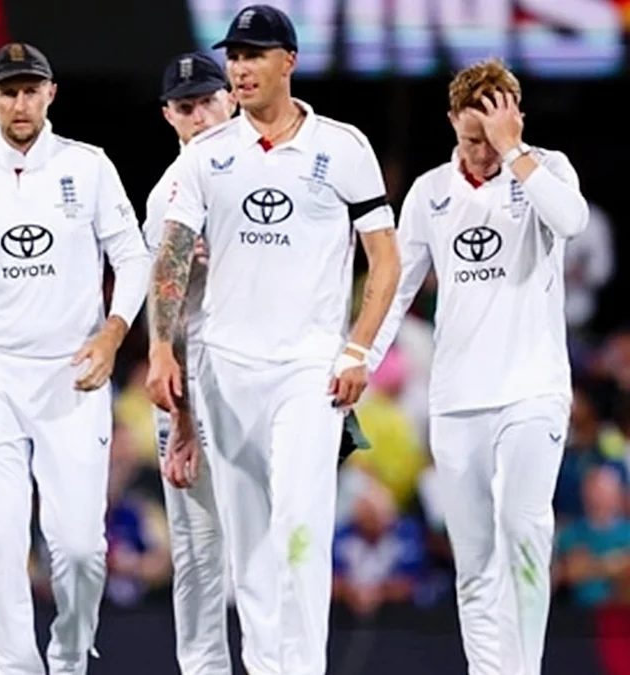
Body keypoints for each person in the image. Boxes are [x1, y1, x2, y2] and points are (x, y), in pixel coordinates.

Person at [146, 6, 400, 674]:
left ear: (288, 60)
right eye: (234, 56)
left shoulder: (343, 146)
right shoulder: (207, 156)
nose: (240, 68)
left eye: (254, 55)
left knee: (299, 522)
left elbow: (387, 259)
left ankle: (303, 666)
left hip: (308, 368)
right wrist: (162, 348)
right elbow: (171, 257)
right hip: (226, 369)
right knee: (250, 545)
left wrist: (358, 350)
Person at [0, 42, 151, 674]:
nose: (19, 102)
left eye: (30, 89)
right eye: (7, 91)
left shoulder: (89, 167)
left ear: (51, 93)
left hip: (71, 369)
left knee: (77, 547)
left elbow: (132, 256)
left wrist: (113, 334)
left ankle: (69, 654)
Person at [368, 58, 588, 675]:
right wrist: (360, 361)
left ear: (515, 121)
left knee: (524, 531)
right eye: (471, 139)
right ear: (450, 123)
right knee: (475, 558)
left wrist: (513, 151)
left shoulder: (547, 169)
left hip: (532, 392)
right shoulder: (430, 193)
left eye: (492, 138)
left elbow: (572, 221)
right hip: (457, 398)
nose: (482, 155)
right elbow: (396, 289)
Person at [142, 51, 236, 675]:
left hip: (268, 371)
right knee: (201, 552)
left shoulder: (275, 169)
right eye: (185, 106)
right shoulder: (168, 195)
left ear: (231, 97)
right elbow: (165, 311)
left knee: (274, 540)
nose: (200, 116)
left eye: (208, 100)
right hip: (196, 375)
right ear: (169, 117)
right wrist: (181, 413)